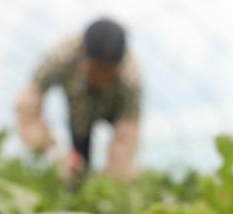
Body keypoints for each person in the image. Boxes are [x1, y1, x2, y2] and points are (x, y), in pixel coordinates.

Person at [15, 18, 141, 186]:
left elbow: (127, 134)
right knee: (78, 164)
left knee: (120, 168)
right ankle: (74, 185)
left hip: (113, 108)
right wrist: (52, 152)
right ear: (84, 56)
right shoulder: (62, 56)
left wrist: (113, 184)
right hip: (79, 111)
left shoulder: (130, 77)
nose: (102, 79)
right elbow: (27, 105)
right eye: (97, 69)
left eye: (108, 72)